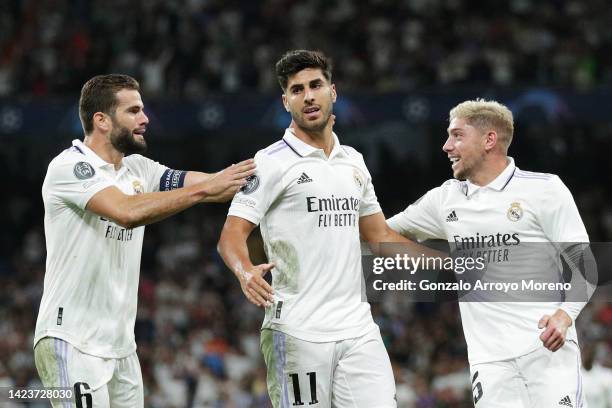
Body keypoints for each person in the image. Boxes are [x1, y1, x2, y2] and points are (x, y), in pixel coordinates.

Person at [217, 50, 427, 408]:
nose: (309, 96)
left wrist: (452, 263)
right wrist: (244, 271)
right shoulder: (270, 162)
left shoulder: (354, 162)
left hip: (358, 329)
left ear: (333, 91)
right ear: (286, 102)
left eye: (316, 85)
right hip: (298, 332)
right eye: (297, 90)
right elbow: (230, 237)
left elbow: (380, 237)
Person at [33, 74, 255, 407]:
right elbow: (125, 211)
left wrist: (263, 176)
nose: (145, 119)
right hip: (71, 341)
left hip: (121, 347)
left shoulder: (138, 168)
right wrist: (206, 188)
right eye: (134, 111)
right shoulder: (70, 167)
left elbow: (213, 184)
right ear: (102, 121)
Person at [387, 99, 591, 407]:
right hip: (489, 364)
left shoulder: (545, 190)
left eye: (456, 135)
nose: (446, 146)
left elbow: (585, 266)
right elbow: (380, 232)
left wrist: (565, 315)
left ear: (489, 140)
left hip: (546, 351)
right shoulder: (444, 200)